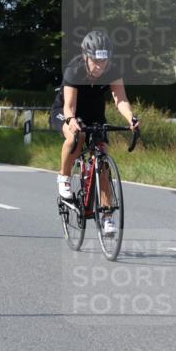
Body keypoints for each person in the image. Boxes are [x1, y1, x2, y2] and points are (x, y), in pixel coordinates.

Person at [50, 30, 140, 236]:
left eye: (104, 61)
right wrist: (72, 121)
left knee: (104, 161)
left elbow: (121, 99)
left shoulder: (112, 70)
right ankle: (64, 179)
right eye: (96, 61)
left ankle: (108, 216)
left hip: (95, 115)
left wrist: (131, 119)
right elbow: (69, 107)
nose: (101, 66)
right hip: (66, 111)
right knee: (77, 137)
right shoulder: (75, 70)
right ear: (85, 56)